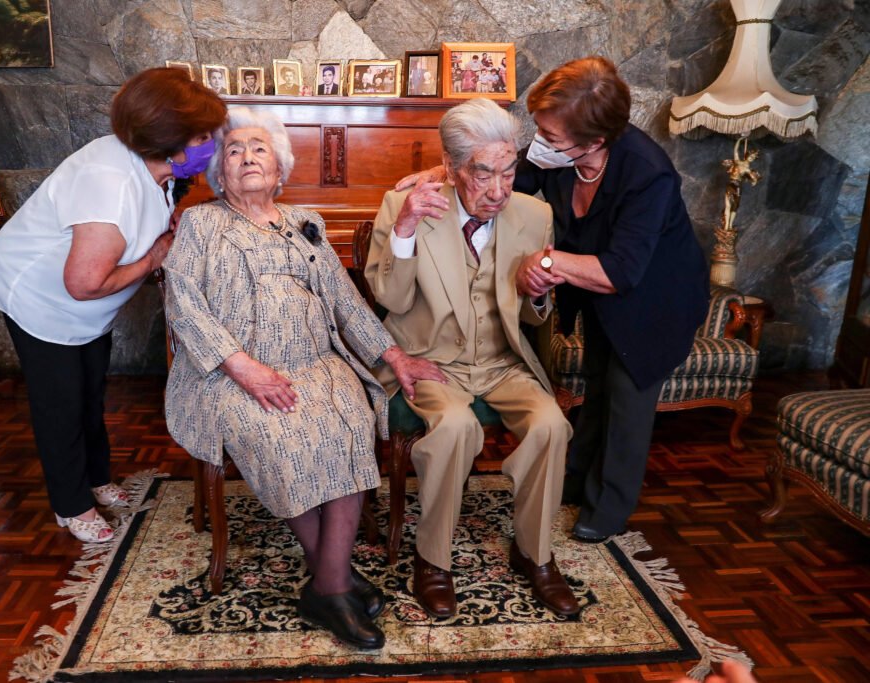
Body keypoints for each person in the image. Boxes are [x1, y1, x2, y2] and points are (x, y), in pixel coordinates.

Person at [395, 56, 709, 544]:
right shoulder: (560, 153)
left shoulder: (648, 175)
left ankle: (608, 509)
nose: (538, 142)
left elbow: (621, 271)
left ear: (593, 142)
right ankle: (574, 482)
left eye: (549, 135)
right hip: (599, 294)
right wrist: (447, 171)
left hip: (655, 300)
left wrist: (544, 263)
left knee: (627, 399)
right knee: (598, 385)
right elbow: (502, 178)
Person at [163, 107, 443, 649]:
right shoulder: (201, 223)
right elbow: (183, 304)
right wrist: (242, 366)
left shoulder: (304, 220)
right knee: (286, 436)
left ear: (279, 169)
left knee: (348, 425)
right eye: (234, 150)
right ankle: (334, 582)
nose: (247, 157)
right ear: (220, 171)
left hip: (317, 363)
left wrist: (396, 357)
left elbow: (344, 300)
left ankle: (328, 581)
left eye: (259, 149)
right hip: (231, 372)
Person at [0, 68, 227, 544]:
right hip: (41, 297)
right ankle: (71, 504)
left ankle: (95, 479)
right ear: (169, 140)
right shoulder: (108, 184)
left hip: (87, 305)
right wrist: (154, 257)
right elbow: (84, 284)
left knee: (90, 392)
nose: (210, 144)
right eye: (202, 136)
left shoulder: (155, 166)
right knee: (61, 403)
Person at [365, 98, 579, 620]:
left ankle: (535, 554)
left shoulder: (535, 215)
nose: (499, 190)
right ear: (453, 167)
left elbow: (533, 317)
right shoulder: (406, 205)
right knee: (456, 427)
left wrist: (535, 294)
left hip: (503, 363)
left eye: (509, 172)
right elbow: (390, 298)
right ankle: (432, 560)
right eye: (485, 175)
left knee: (552, 425)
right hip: (429, 360)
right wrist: (407, 229)